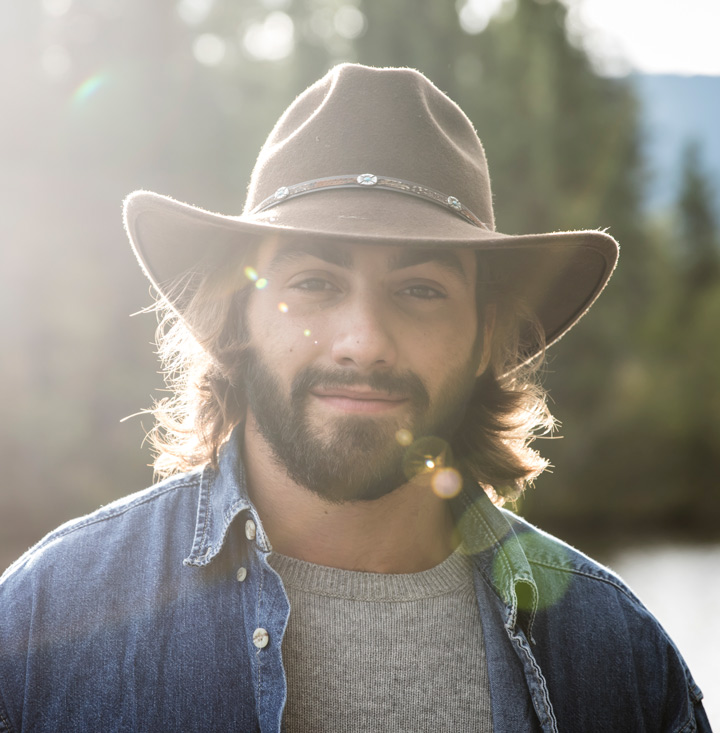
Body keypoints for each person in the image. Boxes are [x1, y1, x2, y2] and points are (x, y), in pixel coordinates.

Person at [0, 63, 710, 733]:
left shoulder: (618, 657)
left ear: (485, 332)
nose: (364, 340)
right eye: (314, 283)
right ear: (236, 315)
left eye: (420, 290)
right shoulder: (43, 624)